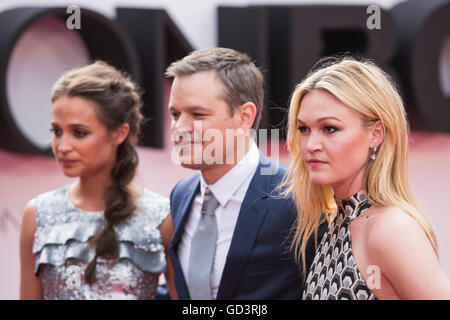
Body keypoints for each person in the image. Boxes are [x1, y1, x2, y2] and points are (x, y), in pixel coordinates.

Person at [282, 56, 450, 300]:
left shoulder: (391, 229)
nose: (311, 145)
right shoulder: (339, 222)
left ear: (376, 134)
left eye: (330, 128)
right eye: (303, 129)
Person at [165, 47, 320, 300]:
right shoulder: (181, 195)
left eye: (197, 114)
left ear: (245, 116)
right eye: (174, 114)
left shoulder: (298, 196)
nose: (179, 128)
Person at [19, 61, 177, 300]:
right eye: (56, 131)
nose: (62, 146)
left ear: (120, 133)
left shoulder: (162, 217)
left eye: (79, 132)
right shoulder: (38, 214)